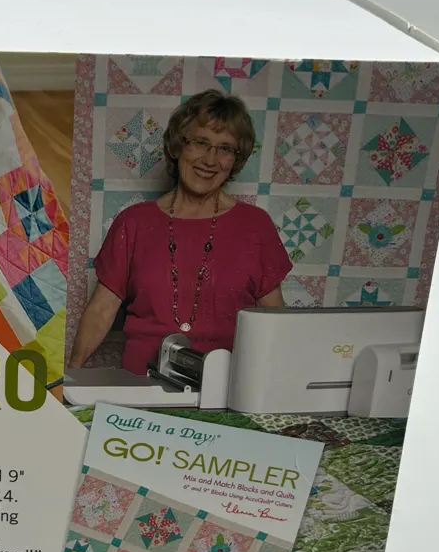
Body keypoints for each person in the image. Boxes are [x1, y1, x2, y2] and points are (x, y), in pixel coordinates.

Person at [69, 89, 292, 375]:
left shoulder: (256, 226)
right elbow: (101, 310)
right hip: (140, 385)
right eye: (200, 142)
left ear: (235, 160)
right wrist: (72, 376)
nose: (210, 159)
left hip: (226, 386)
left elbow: (275, 319)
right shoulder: (133, 222)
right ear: (178, 146)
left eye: (225, 148)